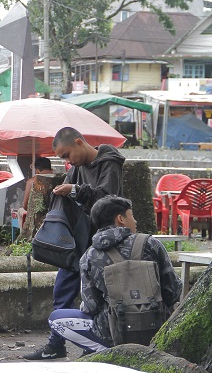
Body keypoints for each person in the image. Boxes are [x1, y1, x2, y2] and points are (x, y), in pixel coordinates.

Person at [25, 126, 125, 360]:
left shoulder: (109, 161)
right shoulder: (76, 169)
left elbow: (108, 199)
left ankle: (93, 345)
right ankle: (56, 343)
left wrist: (76, 190)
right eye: (62, 158)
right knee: (63, 289)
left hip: (103, 240)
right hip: (78, 239)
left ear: (79, 142)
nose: (66, 161)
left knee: (97, 296)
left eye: (66, 155)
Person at [47, 195, 181, 353]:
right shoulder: (150, 243)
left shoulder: (89, 256)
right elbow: (173, 290)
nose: (135, 221)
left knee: (56, 318)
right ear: (120, 219)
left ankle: (106, 352)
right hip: (156, 330)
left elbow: (92, 306)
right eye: (131, 215)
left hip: (112, 334)